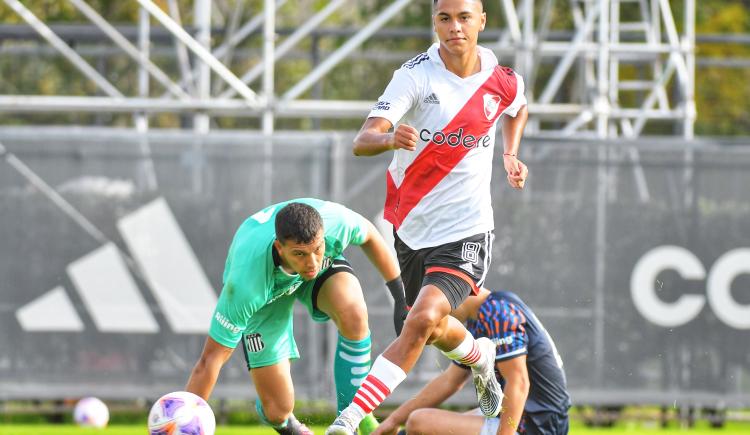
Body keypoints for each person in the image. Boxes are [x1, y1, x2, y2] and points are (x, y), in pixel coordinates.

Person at [327, 0, 529, 433]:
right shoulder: (414, 75)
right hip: (412, 229)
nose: (455, 27)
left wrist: (510, 153)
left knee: (419, 320)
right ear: (435, 22)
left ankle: (348, 420)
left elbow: (518, 107)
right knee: (435, 327)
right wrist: (387, 140)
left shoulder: (500, 78)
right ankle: (481, 358)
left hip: (469, 230)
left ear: (481, 21)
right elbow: (362, 140)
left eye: (464, 17)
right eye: (444, 18)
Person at [185, 198, 405, 435]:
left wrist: (401, 299)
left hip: (308, 270)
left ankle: (354, 418)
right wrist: (185, 419)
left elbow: (370, 235)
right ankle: (288, 424)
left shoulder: (335, 224)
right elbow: (210, 361)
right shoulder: (245, 286)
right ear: (280, 248)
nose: (312, 262)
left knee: (354, 314)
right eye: (300, 253)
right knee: (278, 409)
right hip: (266, 296)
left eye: (317, 249)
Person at [374, 289, 571, 435]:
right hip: (531, 420)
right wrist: (392, 421)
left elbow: (519, 383)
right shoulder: (481, 319)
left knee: (419, 423)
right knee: (414, 427)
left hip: (537, 426)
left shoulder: (498, 313)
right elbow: (450, 381)